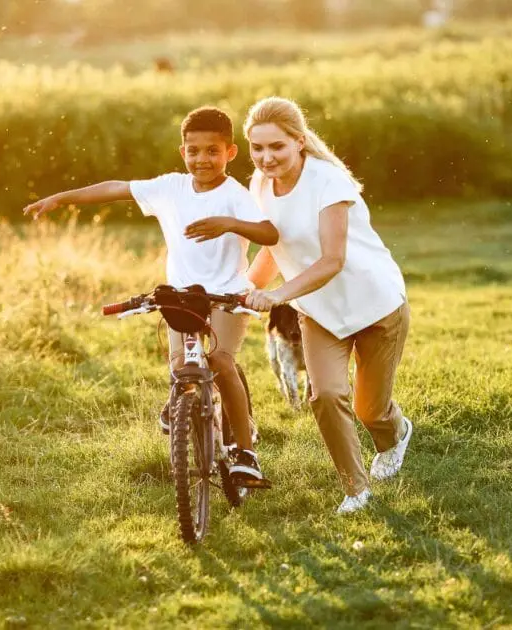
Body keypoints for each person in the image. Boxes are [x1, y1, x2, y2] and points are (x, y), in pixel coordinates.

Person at [23, 106, 278, 484]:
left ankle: (247, 452)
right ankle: (182, 403)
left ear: (230, 153)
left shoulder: (235, 195)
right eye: (193, 151)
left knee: (222, 361)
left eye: (212, 151)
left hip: (227, 294)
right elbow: (114, 189)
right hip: (180, 296)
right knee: (180, 369)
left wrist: (230, 223)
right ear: (182, 152)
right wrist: (63, 198)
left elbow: (270, 234)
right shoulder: (170, 187)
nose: (201, 159)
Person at [242, 97, 412, 514]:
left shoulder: (329, 183)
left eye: (276, 147)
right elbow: (273, 247)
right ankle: (356, 489)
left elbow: (332, 260)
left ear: (299, 142)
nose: (266, 158)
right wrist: (243, 291)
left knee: (369, 410)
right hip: (319, 312)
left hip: (375, 304)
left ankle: (396, 432)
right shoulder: (260, 185)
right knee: (326, 395)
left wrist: (279, 295)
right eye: (257, 148)